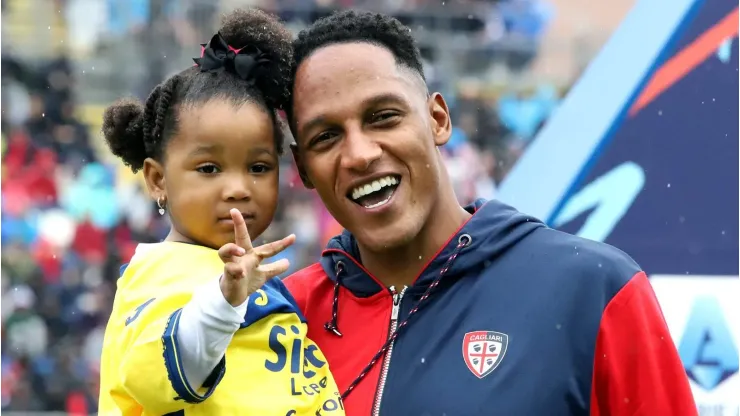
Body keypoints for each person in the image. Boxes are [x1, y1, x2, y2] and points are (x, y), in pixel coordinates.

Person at [280, 10, 697, 416]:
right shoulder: (280, 317)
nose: (359, 154)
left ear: (438, 119)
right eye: (327, 136)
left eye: (383, 118)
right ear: (303, 170)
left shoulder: (593, 290)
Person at [97, 9, 343, 416]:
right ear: (158, 180)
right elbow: (152, 375)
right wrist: (222, 303)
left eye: (259, 167)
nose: (238, 188)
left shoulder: (247, 271)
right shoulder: (158, 274)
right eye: (209, 168)